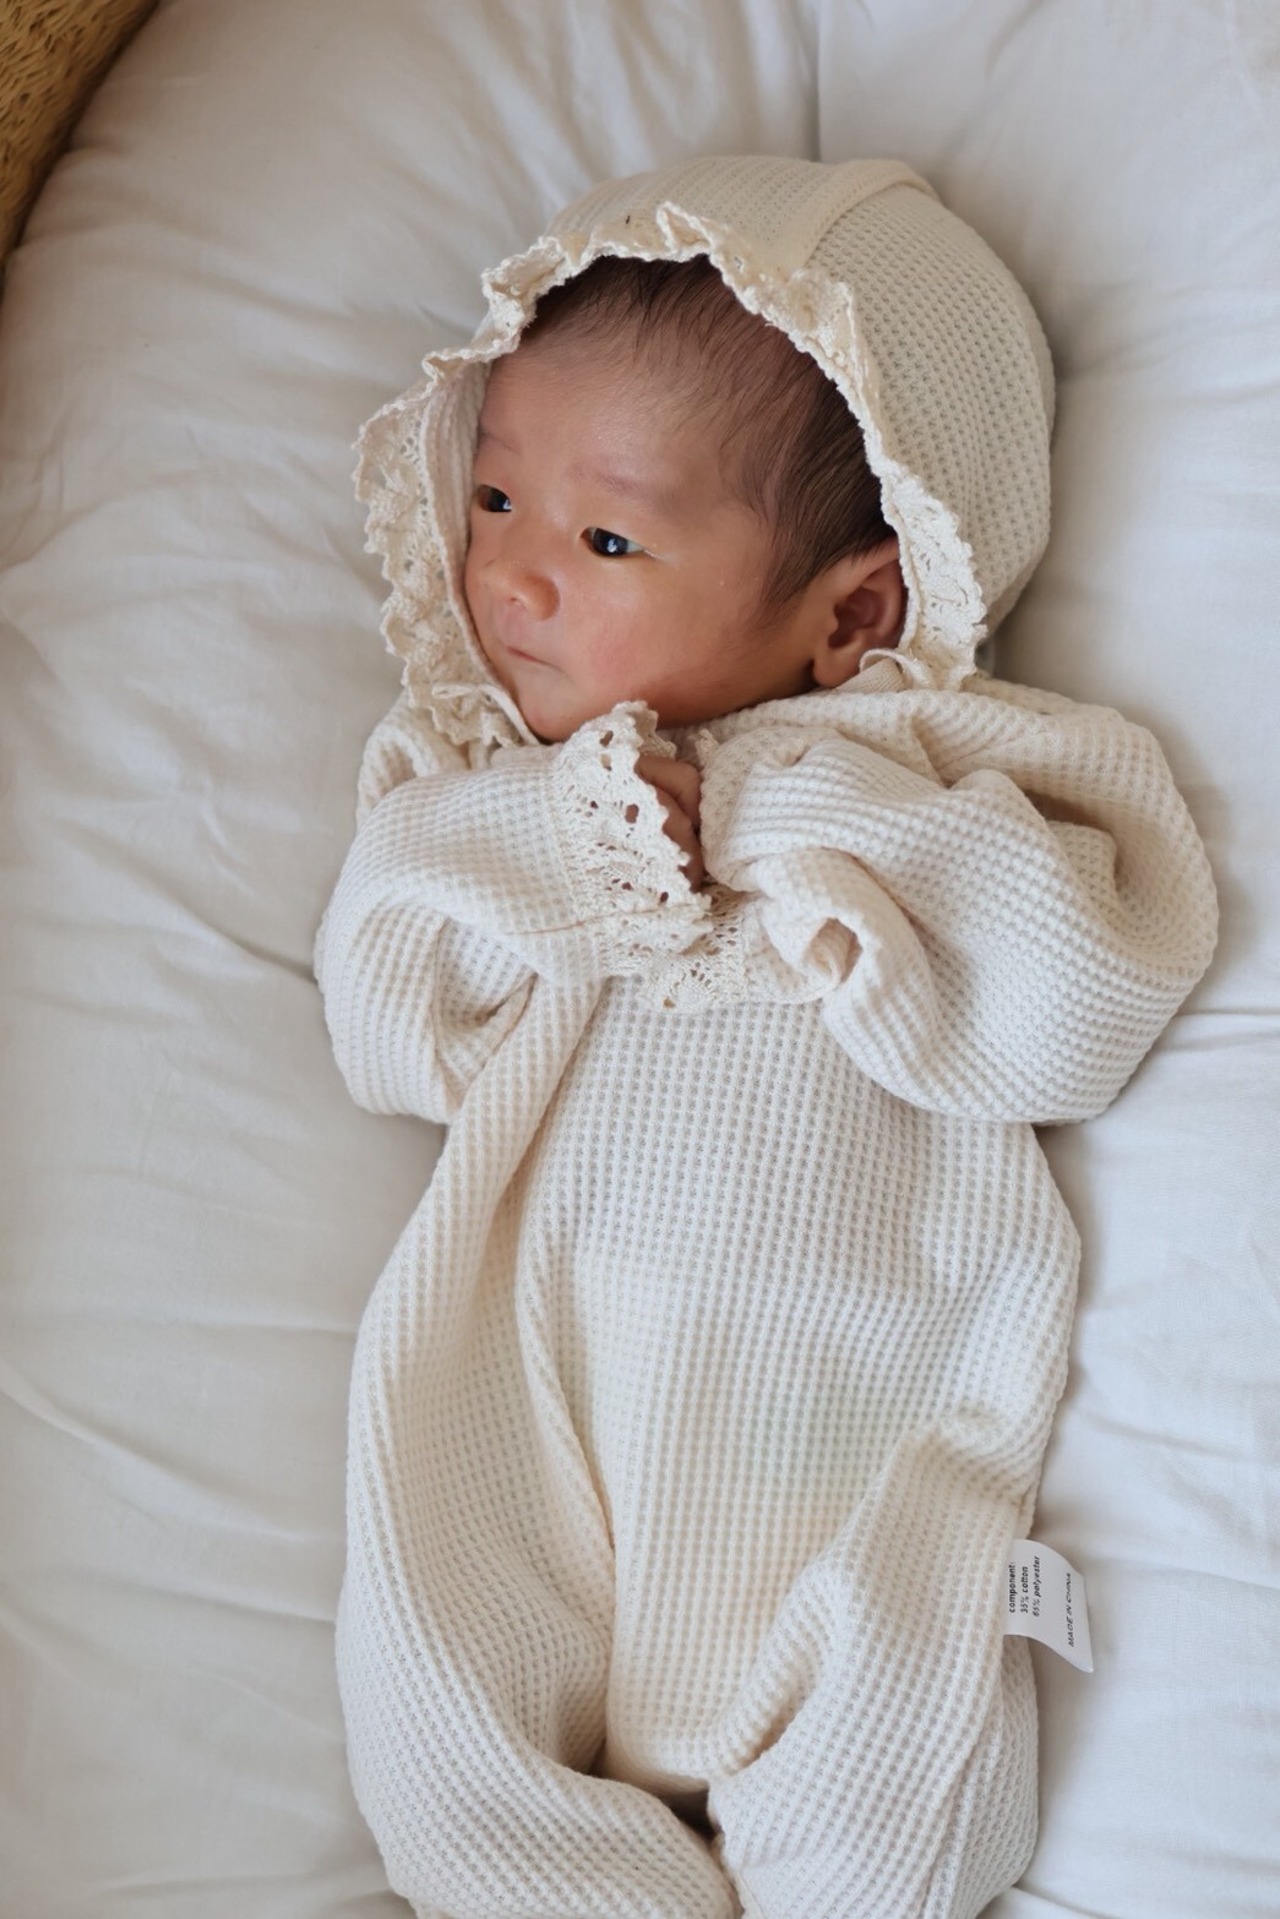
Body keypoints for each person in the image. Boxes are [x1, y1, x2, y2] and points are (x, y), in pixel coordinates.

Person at [316, 156, 1217, 1919]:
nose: (511, 578)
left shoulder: (947, 774)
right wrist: (560, 847)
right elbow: (389, 1023)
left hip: (857, 1430)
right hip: (519, 1421)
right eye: (494, 497)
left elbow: (1080, 1010)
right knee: (437, 1733)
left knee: (900, 1789)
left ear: (853, 613)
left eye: (605, 541)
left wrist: (799, 823)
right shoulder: (473, 795)